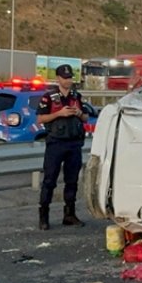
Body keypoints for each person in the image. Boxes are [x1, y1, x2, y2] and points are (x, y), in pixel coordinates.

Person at [37, 63, 88, 230]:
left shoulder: (76, 96)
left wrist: (78, 113)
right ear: (58, 78)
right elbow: (41, 119)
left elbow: (86, 118)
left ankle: (69, 214)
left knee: (72, 180)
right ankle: (44, 216)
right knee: (49, 180)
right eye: (65, 78)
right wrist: (60, 113)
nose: (68, 81)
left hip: (74, 143)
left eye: (70, 77)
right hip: (56, 143)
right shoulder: (49, 97)